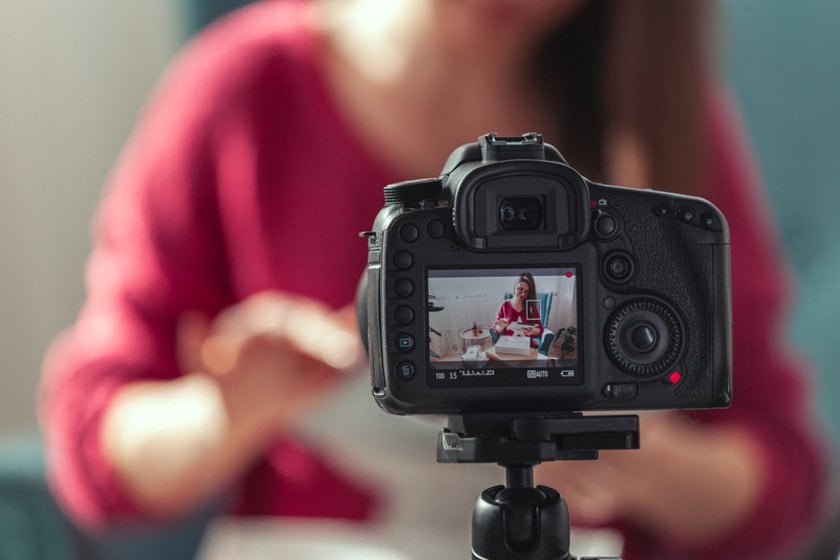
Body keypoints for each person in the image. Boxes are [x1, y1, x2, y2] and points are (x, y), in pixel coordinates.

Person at [39, 0, 828, 558]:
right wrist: (225, 414)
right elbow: (89, 454)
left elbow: (786, 485)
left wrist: (645, 456)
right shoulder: (242, 91)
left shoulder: (656, 109)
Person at [492, 273, 544, 348]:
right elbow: (496, 328)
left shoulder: (531, 307)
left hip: (528, 346)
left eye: (526, 292)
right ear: (515, 287)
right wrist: (500, 327)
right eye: (520, 289)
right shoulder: (504, 305)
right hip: (509, 345)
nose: (523, 294)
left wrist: (533, 331)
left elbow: (540, 329)